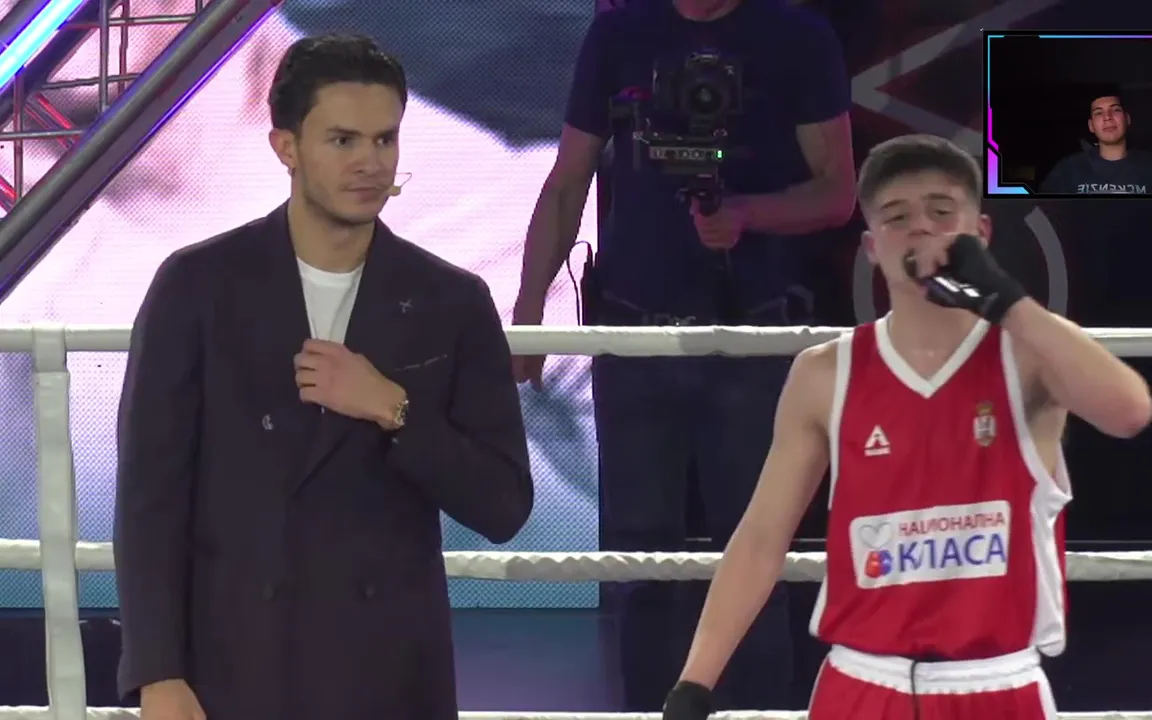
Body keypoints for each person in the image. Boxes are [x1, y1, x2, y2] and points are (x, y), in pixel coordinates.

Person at [662, 134, 1152, 719]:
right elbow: (762, 538)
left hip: (997, 684)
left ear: (981, 232)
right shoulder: (826, 373)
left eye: (941, 212)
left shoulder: (1029, 356)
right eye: (897, 217)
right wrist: (694, 683)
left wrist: (1006, 299)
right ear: (873, 247)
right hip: (861, 684)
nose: (920, 227)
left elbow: (1130, 412)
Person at [113, 34, 534, 720]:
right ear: (286, 147)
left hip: (387, 675)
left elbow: (504, 505)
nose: (370, 163)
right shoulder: (197, 286)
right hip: (236, 668)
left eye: (384, 139)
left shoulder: (451, 300)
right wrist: (158, 673)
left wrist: (394, 410)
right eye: (343, 141)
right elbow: (150, 500)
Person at [512, 0, 854, 710]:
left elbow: (838, 193)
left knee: (756, 554)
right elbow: (568, 180)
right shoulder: (619, 32)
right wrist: (529, 310)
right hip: (633, 335)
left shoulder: (797, 35)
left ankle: (759, 713)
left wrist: (747, 215)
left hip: (754, 337)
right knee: (640, 563)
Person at [1039, 91, 1152, 195]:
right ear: (1091, 126)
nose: (1107, 117)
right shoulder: (1068, 169)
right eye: (1098, 113)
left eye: (1115, 110)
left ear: (1127, 119)